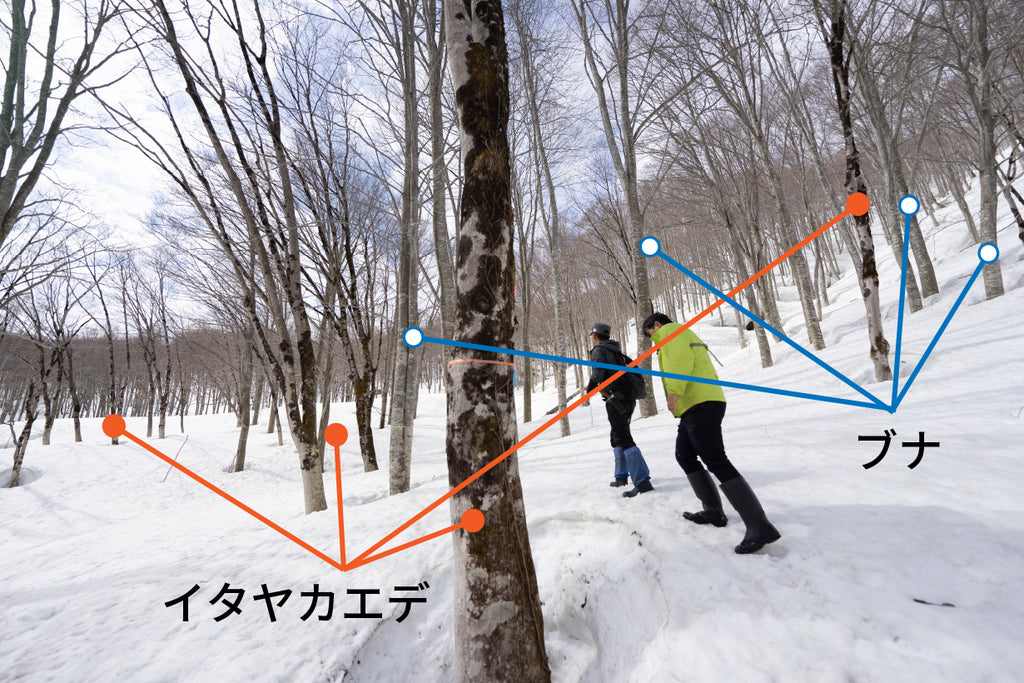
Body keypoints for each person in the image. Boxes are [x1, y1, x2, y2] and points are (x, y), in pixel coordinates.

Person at [643, 312, 781, 554]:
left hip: (700, 403)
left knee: (715, 459)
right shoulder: (679, 334)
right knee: (684, 455)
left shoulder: (670, 332)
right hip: (697, 404)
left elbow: (679, 361)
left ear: (657, 324)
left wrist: (673, 391)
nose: (652, 338)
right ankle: (714, 511)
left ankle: (759, 525)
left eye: (650, 333)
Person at [584, 323, 653, 498]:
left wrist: (588, 393)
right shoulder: (616, 351)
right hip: (626, 400)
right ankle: (621, 476)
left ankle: (642, 481)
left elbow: (597, 373)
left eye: (592, 335)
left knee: (622, 436)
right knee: (617, 435)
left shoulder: (599, 350)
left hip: (616, 400)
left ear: (595, 336)